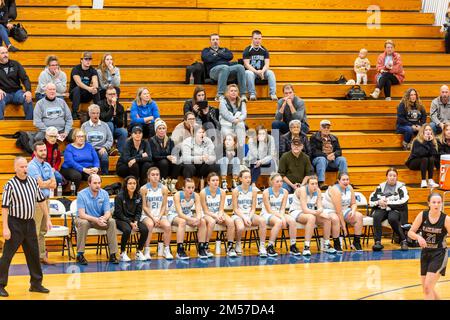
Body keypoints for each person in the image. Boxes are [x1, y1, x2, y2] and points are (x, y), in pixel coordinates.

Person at [0, 157, 52, 297]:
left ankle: (36, 284)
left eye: (26, 166)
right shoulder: (10, 184)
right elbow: (4, 207)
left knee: (34, 255)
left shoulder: (32, 182)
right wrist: (5, 227)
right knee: (7, 256)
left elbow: (41, 200)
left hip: (29, 223)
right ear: (15, 168)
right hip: (14, 223)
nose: (25, 169)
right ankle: (0, 284)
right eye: (21, 167)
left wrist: (48, 218)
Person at [408, 193, 450, 300]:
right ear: (429, 203)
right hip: (426, 253)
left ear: (442, 204)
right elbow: (410, 232)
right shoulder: (423, 215)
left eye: (439, 202)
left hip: (439, 254)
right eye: (434, 202)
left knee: (428, 287)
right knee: (427, 289)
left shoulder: (446, 219)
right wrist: (418, 237)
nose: (436, 204)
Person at [75, 174, 119, 265]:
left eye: (99, 183)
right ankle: (80, 254)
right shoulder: (81, 194)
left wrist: (104, 219)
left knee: (111, 221)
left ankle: (113, 254)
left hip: (98, 219)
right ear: (89, 183)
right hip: (84, 219)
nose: (97, 185)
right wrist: (97, 220)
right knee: (83, 223)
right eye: (95, 183)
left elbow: (107, 212)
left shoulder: (104, 193)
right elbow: (82, 214)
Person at [289, 175, 338, 255]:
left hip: (310, 212)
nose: (315, 185)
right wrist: (318, 213)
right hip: (296, 211)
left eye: (316, 183)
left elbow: (320, 207)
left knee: (327, 218)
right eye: (312, 184)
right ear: (307, 184)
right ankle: (306, 247)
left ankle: (326, 244)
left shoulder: (318, 191)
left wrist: (321, 212)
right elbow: (304, 209)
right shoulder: (302, 190)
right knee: (311, 218)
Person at [27, 141, 57, 265]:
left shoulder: (48, 165)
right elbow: (39, 184)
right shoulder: (31, 166)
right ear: (35, 152)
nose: (44, 152)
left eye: (45, 150)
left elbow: (54, 184)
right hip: (35, 202)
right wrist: (47, 182)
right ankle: (34, 258)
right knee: (35, 230)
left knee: (43, 230)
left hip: (46, 200)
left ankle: (41, 256)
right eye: (41, 150)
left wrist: (46, 183)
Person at [322, 172, 364, 253]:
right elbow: (338, 212)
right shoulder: (335, 190)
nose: (346, 181)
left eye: (347, 179)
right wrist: (344, 227)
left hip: (343, 209)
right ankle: (336, 243)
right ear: (338, 181)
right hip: (330, 209)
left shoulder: (350, 188)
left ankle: (356, 242)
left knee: (359, 216)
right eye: (343, 180)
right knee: (336, 219)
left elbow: (353, 203)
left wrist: (353, 210)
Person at [369, 168, 409, 252]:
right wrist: (379, 202)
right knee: (376, 216)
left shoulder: (401, 187)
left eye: (394, 176)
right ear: (387, 177)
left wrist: (388, 203)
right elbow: (371, 200)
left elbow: (404, 200)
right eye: (390, 175)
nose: (392, 177)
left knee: (392, 218)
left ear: (397, 177)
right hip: (382, 208)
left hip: (395, 208)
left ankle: (403, 240)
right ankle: (377, 242)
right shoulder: (380, 186)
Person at [260, 173, 300, 256]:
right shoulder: (266, 192)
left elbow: (282, 208)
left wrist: (282, 216)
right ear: (272, 182)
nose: (280, 183)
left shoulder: (285, 192)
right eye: (277, 181)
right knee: (278, 222)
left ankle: (293, 245)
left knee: (292, 221)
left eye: (281, 181)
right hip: (266, 213)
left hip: (279, 213)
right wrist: (281, 217)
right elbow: (269, 210)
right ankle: (270, 246)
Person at [169, 178, 209, 258]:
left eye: (193, 187)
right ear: (183, 188)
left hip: (188, 215)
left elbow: (198, 211)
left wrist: (198, 218)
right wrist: (192, 219)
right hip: (174, 215)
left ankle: (201, 248)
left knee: (202, 221)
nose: (191, 190)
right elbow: (180, 214)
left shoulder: (196, 196)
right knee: (182, 221)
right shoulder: (177, 195)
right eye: (189, 187)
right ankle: (179, 250)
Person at [200, 172, 237, 257]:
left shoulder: (222, 192)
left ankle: (230, 246)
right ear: (208, 182)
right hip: (207, 214)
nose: (216, 182)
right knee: (212, 222)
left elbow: (221, 209)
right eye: (213, 180)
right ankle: (206, 245)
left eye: (217, 180)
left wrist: (220, 215)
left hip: (218, 213)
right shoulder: (203, 192)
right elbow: (205, 211)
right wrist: (216, 217)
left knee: (231, 222)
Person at [140, 167, 174, 260]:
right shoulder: (143, 189)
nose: (155, 177)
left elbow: (164, 206)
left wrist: (159, 217)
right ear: (148, 176)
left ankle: (166, 250)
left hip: (160, 215)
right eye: (153, 175)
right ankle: (146, 250)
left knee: (167, 226)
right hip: (146, 215)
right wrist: (153, 218)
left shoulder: (164, 188)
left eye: (157, 175)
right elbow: (144, 206)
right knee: (150, 225)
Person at [201, 33, 247, 101]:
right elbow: (207, 58)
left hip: (227, 70)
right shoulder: (206, 50)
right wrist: (222, 56)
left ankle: (243, 94)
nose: (215, 41)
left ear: (219, 41)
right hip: (214, 72)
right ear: (210, 41)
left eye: (217, 39)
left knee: (240, 67)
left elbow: (230, 56)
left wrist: (217, 54)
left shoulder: (224, 49)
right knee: (224, 67)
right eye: (213, 39)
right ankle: (219, 95)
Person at [232, 169, 267, 257]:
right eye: (246, 177)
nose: (248, 179)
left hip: (249, 214)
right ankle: (238, 243)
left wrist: (249, 217)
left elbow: (253, 208)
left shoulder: (254, 191)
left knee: (262, 221)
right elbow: (235, 209)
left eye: (249, 177)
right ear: (240, 179)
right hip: (238, 215)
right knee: (240, 227)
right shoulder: (235, 190)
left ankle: (262, 246)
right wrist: (244, 217)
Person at [113, 176, 149, 262]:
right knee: (127, 229)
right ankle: (122, 253)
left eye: (134, 183)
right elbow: (119, 213)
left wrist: (136, 221)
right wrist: (130, 223)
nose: (132, 185)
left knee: (145, 229)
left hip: (133, 220)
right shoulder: (119, 196)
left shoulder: (138, 196)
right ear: (126, 185)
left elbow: (138, 212)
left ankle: (139, 251)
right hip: (120, 219)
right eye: (130, 183)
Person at [310, 119, 348, 190]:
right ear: (320, 128)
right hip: (319, 160)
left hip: (332, 159)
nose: (326, 129)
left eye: (328, 127)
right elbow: (313, 151)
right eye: (324, 127)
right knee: (322, 159)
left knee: (342, 159)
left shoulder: (334, 138)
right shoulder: (314, 137)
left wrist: (334, 155)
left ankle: (343, 180)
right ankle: (321, 182)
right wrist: (326, 156)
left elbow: (339, 151)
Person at [181, 125, 219, 190]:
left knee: (214, 165)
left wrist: (208, 158)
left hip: (203, 166)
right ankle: (187, 187)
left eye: (203, 132)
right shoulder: (187, 142)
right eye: (199, 132)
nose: (202, 134)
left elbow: (213, 157)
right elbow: (185, 158)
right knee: (188, 166)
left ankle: (209, 186)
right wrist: (199, 158)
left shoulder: (208, 141)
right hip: (192, 165)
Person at [243, 30, 277, 101]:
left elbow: (267, 64)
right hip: (252, 72)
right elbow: (247, 65)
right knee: (248, 73)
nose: (257, 40)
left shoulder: (264, 50)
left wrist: (262, 71)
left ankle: (272, 94)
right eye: (255, 38)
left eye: (259, 38)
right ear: (252, 39)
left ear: (261, 39)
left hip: (262, 72)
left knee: (271, 73)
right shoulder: (247, 50)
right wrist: (256, 71)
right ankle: (252, 94)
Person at [0, 46, 33, 120]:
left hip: (17, 92)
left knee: (27, 98)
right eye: (2, 53)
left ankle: (29, 125)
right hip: (4, 94)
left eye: (6, 53)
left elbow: (25, 78)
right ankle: (1, 125)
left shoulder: (15, 64)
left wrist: (28, 91)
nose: (5, 55)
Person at [150, 119, 182, 193]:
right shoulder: (151, 140)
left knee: (177, 162)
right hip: (156, 162)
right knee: (164, 162)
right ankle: (163, 184)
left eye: (163, 128)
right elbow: (154, 156)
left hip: (167, 162)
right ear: (156, 130)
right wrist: (167, 157)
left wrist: (174, 157)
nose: (162, 130)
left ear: (166, 130)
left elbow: (173, 152)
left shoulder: (170, 140)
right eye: (159, 128)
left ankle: (172, 184)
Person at [81, 104, 114, 175]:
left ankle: (105, 175)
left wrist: (104, 147)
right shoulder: (84, 126)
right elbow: (81, 140)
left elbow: (110, 139)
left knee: (104, 157)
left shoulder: (105, 125)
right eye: (93, 113)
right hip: (89, 149)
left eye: (97, 113)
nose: (96, 115)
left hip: (101, 149)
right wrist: (87, 148)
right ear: (89, 114)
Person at [405, 124, 439, 188]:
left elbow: (434, 154)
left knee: (431, 158)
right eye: (426, 130)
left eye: (429, 130)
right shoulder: (417, 141)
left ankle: (430, 180)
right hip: (413, 162)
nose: (428, 131)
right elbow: (421, 153)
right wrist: (426, 142)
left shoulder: (433, 141)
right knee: (425, 158)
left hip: (425, 164)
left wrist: (430, 142)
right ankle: (423, 180)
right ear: (422, 131)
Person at [69, 51, 100, 120]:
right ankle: (74, 112)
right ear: (81, 60)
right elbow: (78, 83)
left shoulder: (93, 70)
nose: (88, 61)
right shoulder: (76, 69)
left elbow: (95, 81)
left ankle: (98, 112)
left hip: (86, 95)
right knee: (77, 88)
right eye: (86, 59)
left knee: (96, 90)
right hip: (75, 95)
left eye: (89, 59)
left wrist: (94, 88)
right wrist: (89, 88)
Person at [246, 125, 277, 190]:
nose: (262, 135)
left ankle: (272, 184)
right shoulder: (251, 140)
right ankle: (253, 184)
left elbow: (271, 155)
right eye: (260, 134)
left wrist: (261, 161)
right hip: (254, 158)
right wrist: (261, 142)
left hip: (267, 159)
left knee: (272, 162)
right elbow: (256, 155)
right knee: (255, 161)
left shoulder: (271, 138)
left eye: (264, 133)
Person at [98, 85, 127, 154]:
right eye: (110, 94)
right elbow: (105, 119)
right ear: (106, 95)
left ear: (116, 95)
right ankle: (109, 148)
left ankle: (120, 152)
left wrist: (114, 116)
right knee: (109, 124)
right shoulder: (100, 104)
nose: (112, 96)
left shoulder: (120, 107)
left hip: (115, 128)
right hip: (102, 129)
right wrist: (112, 107)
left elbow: (120, 124)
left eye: (114, 94)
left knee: (123, 132)